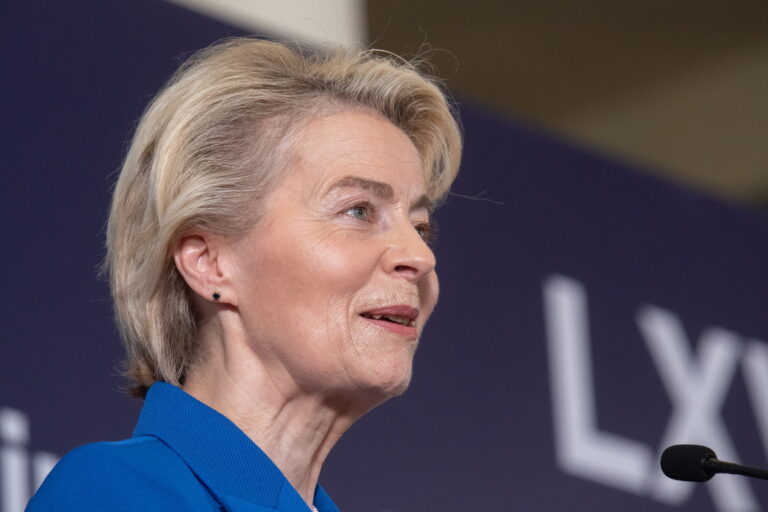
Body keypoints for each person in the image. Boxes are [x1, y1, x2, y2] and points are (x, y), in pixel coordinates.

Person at [27, 37, 462, 511]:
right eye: (358, 210)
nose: (419, 256)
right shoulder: (119, 492)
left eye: (421, 227)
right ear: (209, 262)